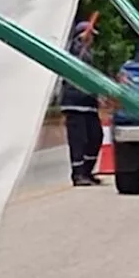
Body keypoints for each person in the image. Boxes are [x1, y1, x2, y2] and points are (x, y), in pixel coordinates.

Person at [59, 20, 103, 187]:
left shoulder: (89, 53)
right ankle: (78, 174)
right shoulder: (75, 50)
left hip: (90, 103)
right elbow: (74, 51)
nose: (92, 39)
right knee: (79, 140)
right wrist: (80, 40)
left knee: (95, 137)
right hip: (74, 102)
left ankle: (87, 171)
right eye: (91, 36)